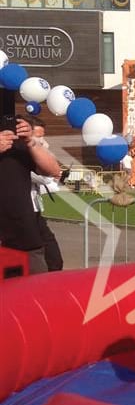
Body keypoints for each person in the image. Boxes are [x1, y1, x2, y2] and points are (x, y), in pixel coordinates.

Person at [0, 101, 63, 275]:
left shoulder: (17, 140)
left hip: (22, 234)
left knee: (39, 282)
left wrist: (31, 141)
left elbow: (53, 170)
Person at [28, 118, 64, 272]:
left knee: (54, 258)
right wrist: (54, 177)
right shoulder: (21, 159)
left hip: (36, 214)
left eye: (43, 136)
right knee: (37, 261)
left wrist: (56, 180)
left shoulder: (39, 153)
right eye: (39, 136)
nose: (43, 142)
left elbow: (45, 182)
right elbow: (43, 177)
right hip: (22, 216)